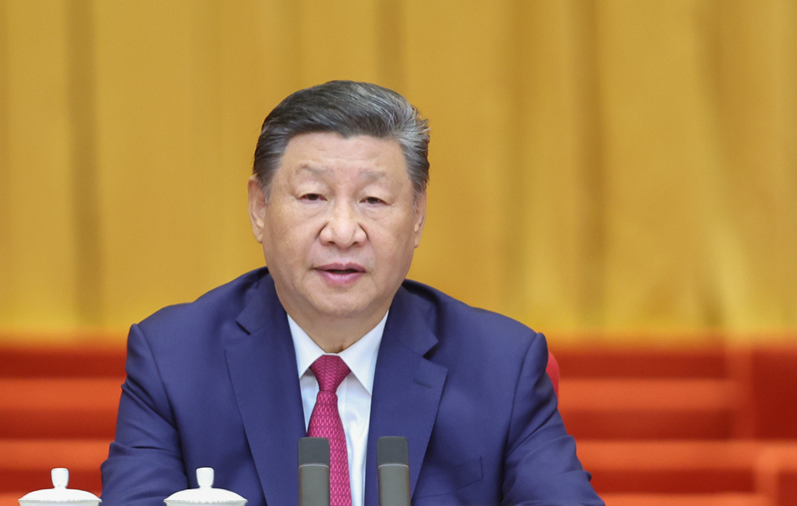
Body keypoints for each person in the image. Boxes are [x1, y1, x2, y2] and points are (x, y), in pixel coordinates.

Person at [100, 80, 603, 506]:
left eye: (374, 199)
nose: (343, 231)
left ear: (418, 216)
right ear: (259, 208)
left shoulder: (501, 365)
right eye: (313, 196)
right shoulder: (174, 360)